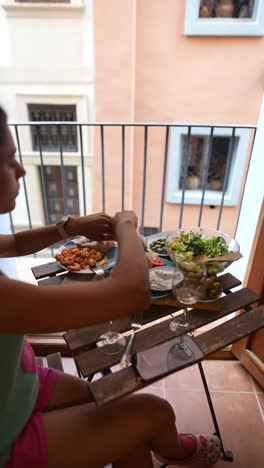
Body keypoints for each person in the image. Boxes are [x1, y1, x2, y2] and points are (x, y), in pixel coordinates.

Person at [0, 104, 221, 468]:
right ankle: (180, 452)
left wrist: (69, 227)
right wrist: (129, 227)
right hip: (5, 441)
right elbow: (131, 293)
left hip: (17, 386)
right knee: (153, 411)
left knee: (114, 406)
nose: (22, 169)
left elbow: (14, 245)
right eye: (8, 160)